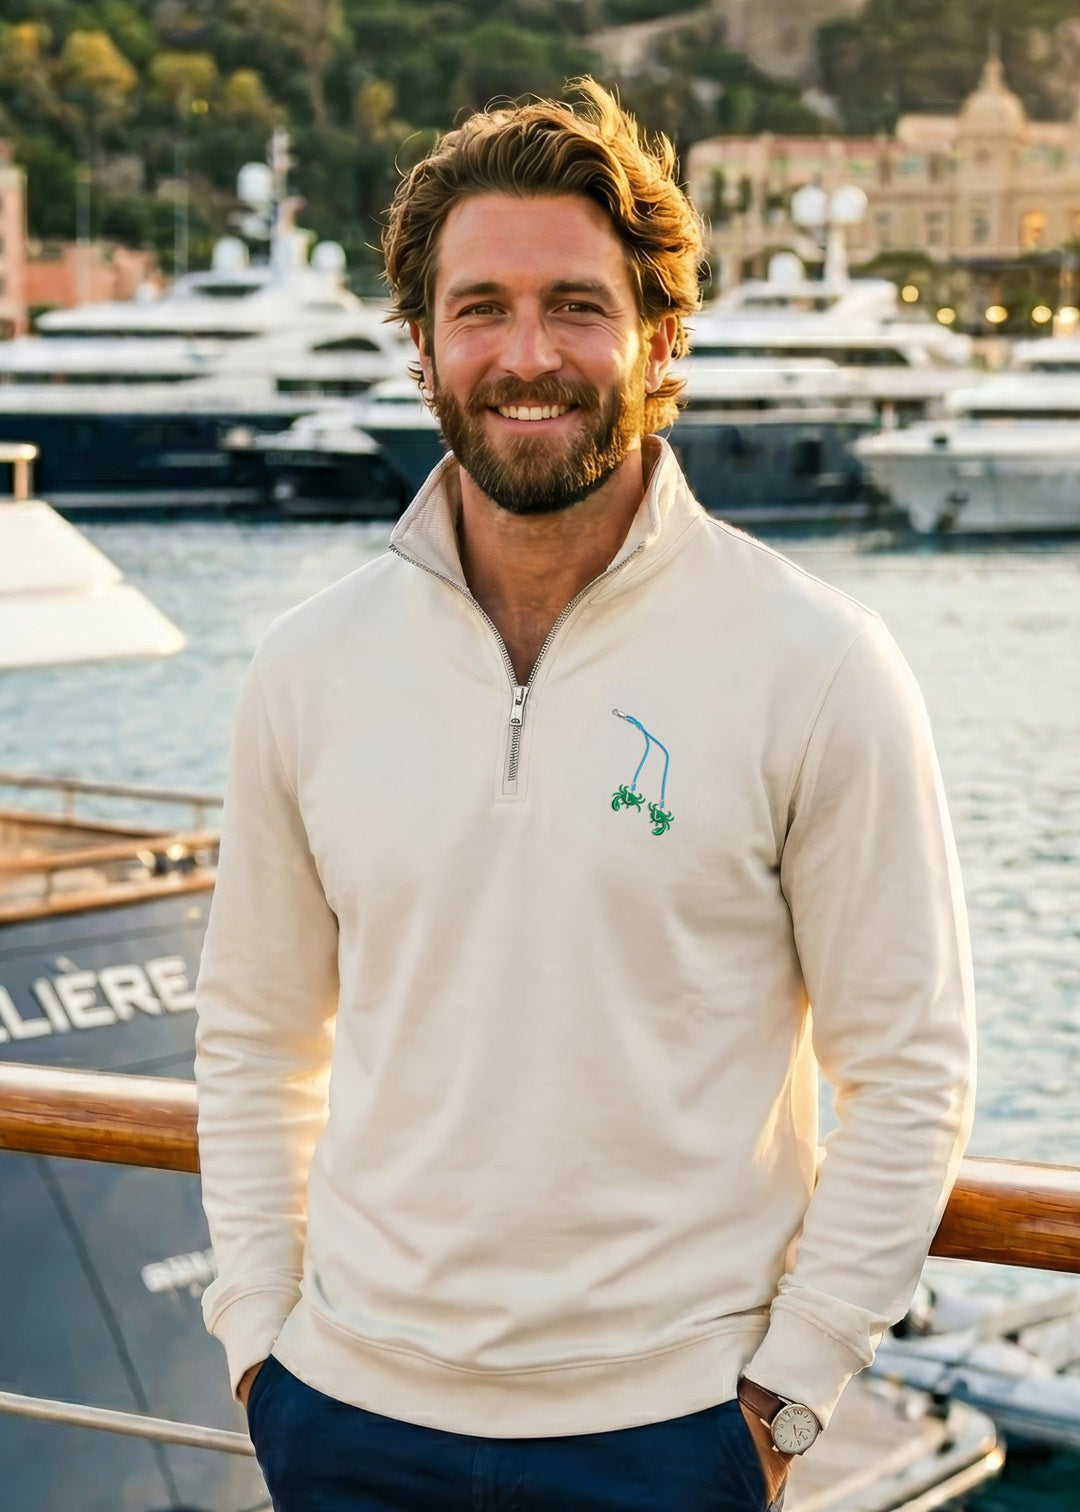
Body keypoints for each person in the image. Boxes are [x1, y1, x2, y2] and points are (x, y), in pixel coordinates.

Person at [195, 79, 976, 1512]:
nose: (528, 353)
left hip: (672, 1436)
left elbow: (913, 1066)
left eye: (577, 305)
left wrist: (790, 1393)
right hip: (347, 1421)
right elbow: (252, 1038)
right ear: (422, 341)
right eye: (481, 306)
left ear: (658, 339)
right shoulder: (307, 671)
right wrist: (261, 1341)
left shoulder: (816, 663)